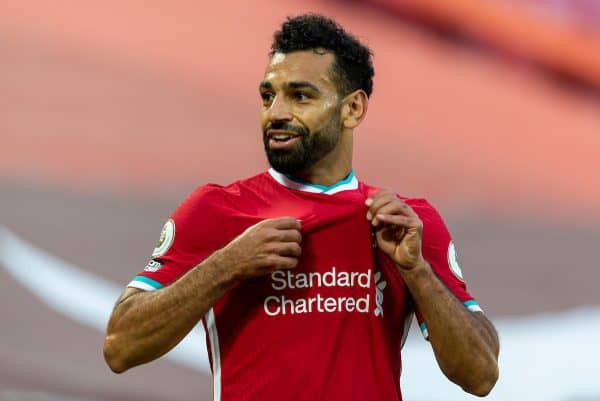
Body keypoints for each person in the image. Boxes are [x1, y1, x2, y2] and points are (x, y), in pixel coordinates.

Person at [103, 13, 499, 401]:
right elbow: (121, 346)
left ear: (353, 109)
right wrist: (227, 265)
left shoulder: (402, 225)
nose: (276, 113)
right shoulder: (217, 210)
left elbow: (481, 375)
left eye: (301, 96)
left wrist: (417, 272)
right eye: (267, 96)